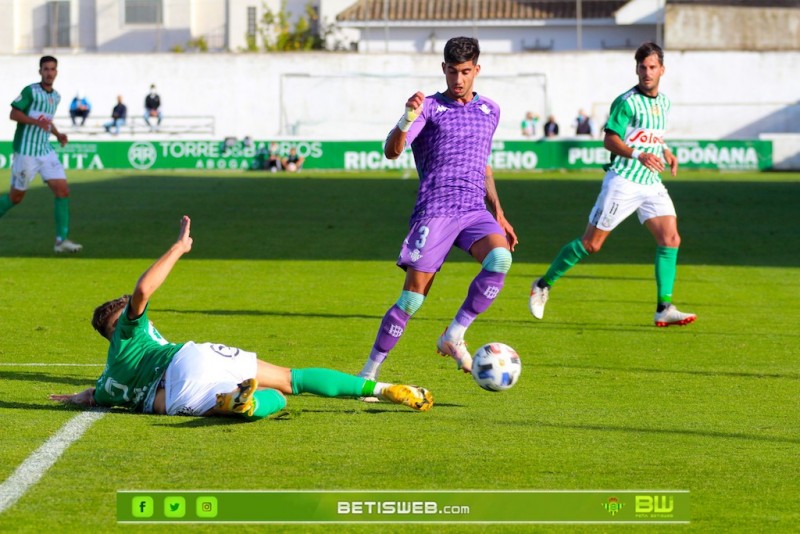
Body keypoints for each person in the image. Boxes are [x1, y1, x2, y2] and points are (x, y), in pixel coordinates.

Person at [49, 216, 434, 419]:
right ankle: (382, 390)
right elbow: (143, 291)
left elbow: (91, 396)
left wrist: (71, 397)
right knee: (290, 381)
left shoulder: (109, 381)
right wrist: (179, 248)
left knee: (265, 401)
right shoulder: (129, 333)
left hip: (176, 398)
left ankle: (241, 403)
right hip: (185, 359)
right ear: (119, 329)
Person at [357, 36, 517, 387]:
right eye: (451, 71)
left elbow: (483, 164)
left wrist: (499, 213)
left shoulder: (491, 110)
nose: (458, 80)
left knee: (501, 259)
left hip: (474, 209)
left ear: (477, 70)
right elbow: (391, 151)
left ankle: (454, 334)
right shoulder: (428, 108)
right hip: (436, 212)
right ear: (443, 69)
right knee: (412, 298)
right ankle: (369, 373)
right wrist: (405, 118)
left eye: (465, 72)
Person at [529, 42, 696, 328]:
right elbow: (610, 139)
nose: (646, 72)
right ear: (637, 69)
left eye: (652, 67)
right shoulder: (627, 101)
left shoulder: (664, 103)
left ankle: (663, 307)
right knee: (591, 245)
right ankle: (543, 284)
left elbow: (650, 134)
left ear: (662, 70)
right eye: (642, 67)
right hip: (624, 181)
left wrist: (664, 151)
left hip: (651, 182)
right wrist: (638, 154)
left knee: (670, 239)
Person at [0, 56, 82, 253]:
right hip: (26, 152)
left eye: (52, 69)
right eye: (46, 69)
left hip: (45, 151)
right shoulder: (31, 91)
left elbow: (47, 120)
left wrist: (58, 134)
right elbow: (14, 114)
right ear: (40, 72)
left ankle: (61, 241)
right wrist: (36, 123)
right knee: (15, 197)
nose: (49, 73)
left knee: (63, 191)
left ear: (56, 72)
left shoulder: (56, 97)